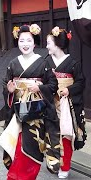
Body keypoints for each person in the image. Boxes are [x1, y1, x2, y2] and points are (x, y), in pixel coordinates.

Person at [0, 24, 60, 180]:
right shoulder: (12, 63)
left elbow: (53, 85)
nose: (25, 44)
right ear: (17, 42)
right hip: (17, 114)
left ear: (35, 42)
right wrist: (10, 90)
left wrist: (39, 87)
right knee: (17, 148)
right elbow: (6, 84)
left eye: (28, 40)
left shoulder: (43, 63)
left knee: (31, 150)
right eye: (21, 41)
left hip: (36, 115)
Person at [46, 26, 87, 179]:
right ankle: (53, 162)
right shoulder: (46, 61)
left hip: (66, 104)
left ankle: (65, 166)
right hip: (50, 103)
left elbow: (81, 82)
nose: (47, 46)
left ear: (57, 44)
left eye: (49, 43)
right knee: (51, 134)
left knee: (66, 135)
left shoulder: (73, 63)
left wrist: (69, 89)